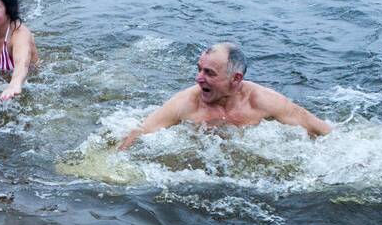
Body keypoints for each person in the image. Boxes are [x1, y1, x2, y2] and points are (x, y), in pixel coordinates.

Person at [117, 42, 333, 150]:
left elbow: (322, 130)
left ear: (236, 79)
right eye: (199, 69)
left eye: (209, 73)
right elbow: (141, 131)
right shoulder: (186, 103)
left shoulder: (263, 101)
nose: (198, 79)